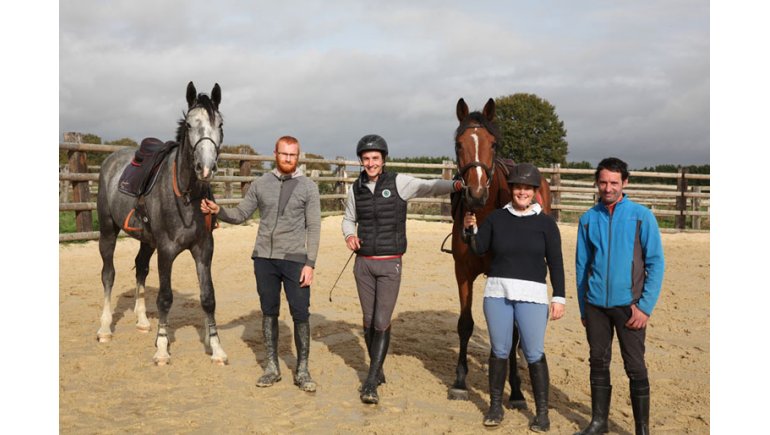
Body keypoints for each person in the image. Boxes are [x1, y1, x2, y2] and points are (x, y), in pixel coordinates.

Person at [342, 134, 464, 405]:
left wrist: (456, 185)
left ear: (383, 159)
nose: (371, 163)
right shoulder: (355, 188)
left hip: (389, 263)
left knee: (381, 321)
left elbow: (429, 187)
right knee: (368, 320)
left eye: (375, 158)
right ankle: (378, 368)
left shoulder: (399, 182)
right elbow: (349, 219)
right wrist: (349, 235)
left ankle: (371, 380)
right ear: (361, 160)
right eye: (366, 158)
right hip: (363, 264)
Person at [200, 135, 321, 393]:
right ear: (275, 154)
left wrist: (310, 263)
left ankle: (302, 370)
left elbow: (314, 228)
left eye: (293, 155)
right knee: (269, 312)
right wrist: (218, 211)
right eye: (284, 154)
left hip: (295, 260)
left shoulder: (308, 187)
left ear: (297, 156)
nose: (288, 159)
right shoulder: (260, 184)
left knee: (300, 313)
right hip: (264, 259)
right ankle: (272, 368)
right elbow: (241, 214)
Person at [463, 163, 565, 431]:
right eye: (518, 187)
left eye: (527, 188)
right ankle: (495, 406)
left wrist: (559, 297)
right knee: (499, 350)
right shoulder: (496, 218)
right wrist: (469, 230)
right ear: (511, 190)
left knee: (533, 352)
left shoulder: (546, 223)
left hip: (533, 296)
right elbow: (479, 249)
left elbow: (556, 262)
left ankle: (541, 413)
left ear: (534, 192)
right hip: (498, 293)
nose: (522, 192)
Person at [574, 157, 664, 435]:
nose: (608, 188)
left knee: (635, 366)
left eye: (614, 182)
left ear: (625, 182)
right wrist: (584, 309)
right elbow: (581, 267)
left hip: (630, 307)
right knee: (598, 361)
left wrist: (645, 307)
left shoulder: (642, 217)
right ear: (597, 183)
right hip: (595, 306)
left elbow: (656, 263)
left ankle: (642, 430)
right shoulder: (588, 219)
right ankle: (598, 422)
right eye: (603, 182)